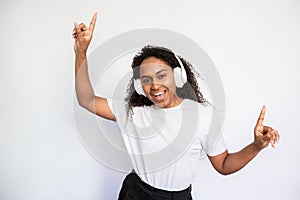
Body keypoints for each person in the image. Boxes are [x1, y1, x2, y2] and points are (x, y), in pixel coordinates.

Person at [72, 13, 280, 200]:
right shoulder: (132, 112)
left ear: (178, 76)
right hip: (137, 193)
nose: (154, 85)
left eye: (161, 75)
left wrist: (256, 146)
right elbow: (86, 99)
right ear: (139, 85)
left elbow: (224, 165)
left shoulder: (203, 115)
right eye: (146, 79)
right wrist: (81, 52)